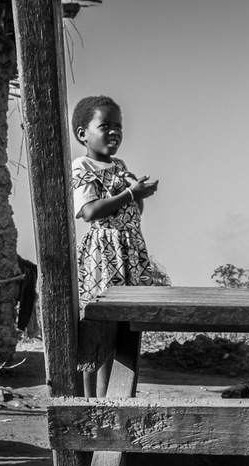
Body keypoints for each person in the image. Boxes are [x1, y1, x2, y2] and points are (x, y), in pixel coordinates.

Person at [70, 95, 159, 397]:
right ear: (83, 133)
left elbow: (132, 213)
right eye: (104, 125)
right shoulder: (82, 165)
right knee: (98, 330)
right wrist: (130, 194)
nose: (114, 132)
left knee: (123, 329)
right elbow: (90, 211)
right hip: (104, 256)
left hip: (129, 253)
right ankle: (91, 404)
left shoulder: (120, 166)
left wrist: (138, 196)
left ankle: (112, 401)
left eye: (118, 126)